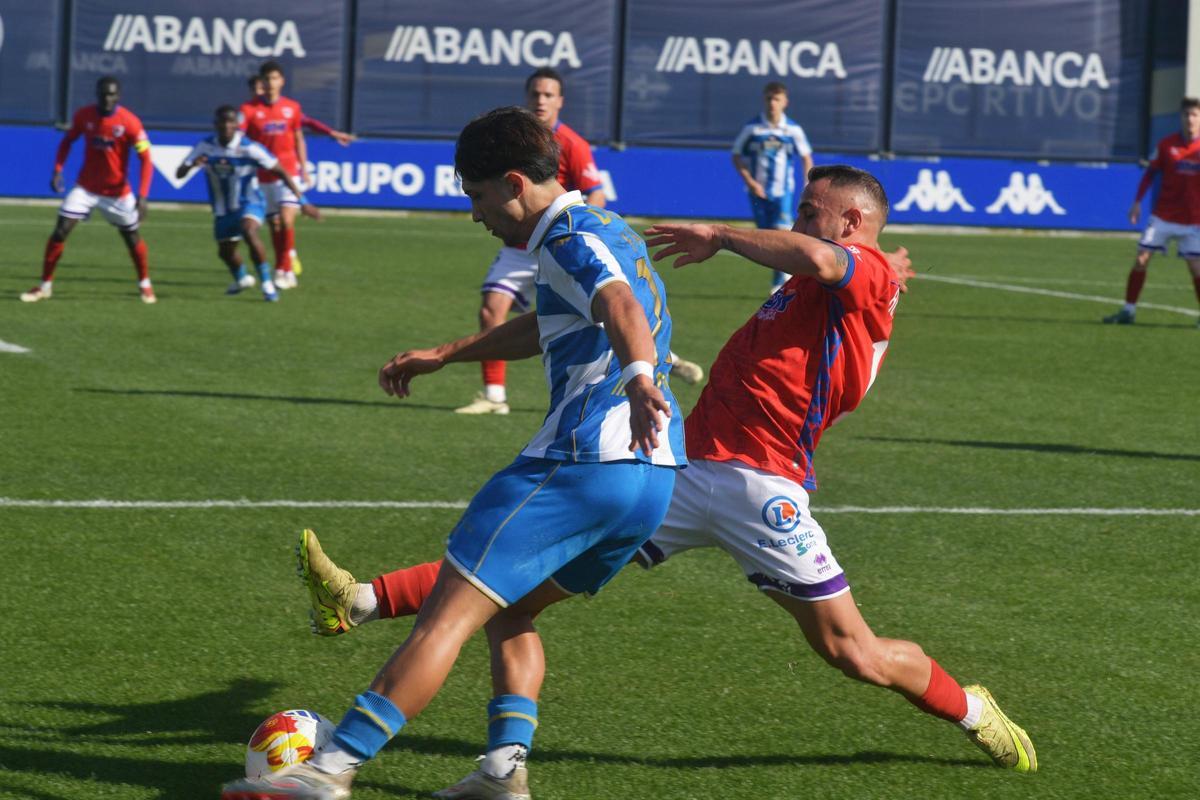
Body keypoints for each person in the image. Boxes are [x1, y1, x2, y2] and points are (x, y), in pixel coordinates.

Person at [299, 166, 1038, 797]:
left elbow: (831, 263)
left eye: (812, 214)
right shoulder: (838, 278)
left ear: (851, 222)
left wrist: (720, 237)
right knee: (515, 591)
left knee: (854, 653)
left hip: (763, 490)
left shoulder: (852, 271)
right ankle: (381, 621)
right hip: (683, 471)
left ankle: (971, 710)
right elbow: (826, 266)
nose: (798, 223)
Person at [219, 106, 687, 800]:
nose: (474, 214)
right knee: (512, 612)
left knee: (447, 616)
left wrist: (641, 378)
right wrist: (448, 353)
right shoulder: (603, 226)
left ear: (512, 181)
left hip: (583, 462)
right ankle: (502, 773)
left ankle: (332, 768)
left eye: (474, 195)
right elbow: (558, 321)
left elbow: (618, 303)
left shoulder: (567, 236)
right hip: (651, 483)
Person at [457, 67, 705, 416]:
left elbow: (595, 194)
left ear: (560, 101)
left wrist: (577, 232)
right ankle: (495, 395)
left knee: (601, 308)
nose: (540, 100)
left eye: (548, 95)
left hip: (562, 239)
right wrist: (442, 355)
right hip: (521, 245)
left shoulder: (570, 145)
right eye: (535, 94)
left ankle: (654, 361)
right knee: (492, 309)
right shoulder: (508, 144)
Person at [21, 76, 156, 304]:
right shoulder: (84, 116)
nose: (107, 98)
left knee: (131, 237)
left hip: (117, 193)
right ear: (97, 94)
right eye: (103, 94)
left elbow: (146, 159)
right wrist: (57, 169)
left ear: (118, 96)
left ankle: (145, 284)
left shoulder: (130, 122)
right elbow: (67, 141)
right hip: (86, 189)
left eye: (112, 94)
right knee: (61, 229)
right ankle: (44, 286)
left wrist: (143, 196)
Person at [174, 106, 319, 302]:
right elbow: (179, 174)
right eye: (222, 122)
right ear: (215, 124)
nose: (226, 125)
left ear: (236, 124)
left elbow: (281, 171)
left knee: (249, 231)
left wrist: (303, 201)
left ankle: (267, 284)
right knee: (225, 252)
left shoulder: (249, 147)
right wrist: (192, 164)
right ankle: (242, 278)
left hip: (250, 202)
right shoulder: (205, 146)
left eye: (230, 122)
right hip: (223, 209)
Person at [1103, 96, 1200, 328]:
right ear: (1181, 117)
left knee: (1196, 267)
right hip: (1163, 215)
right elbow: (1150, 174)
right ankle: (1128, 311)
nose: (1190, 119)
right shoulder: (1166, 145)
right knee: (1141, 259)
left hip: (1194, 219)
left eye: (1194, 115)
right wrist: (1137, 202)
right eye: (1186, 114)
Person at [239, 61, 318, 291]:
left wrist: (303, 167)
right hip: (263, 177)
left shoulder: (292, 108)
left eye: (275, 78)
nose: (271, 83)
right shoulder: (249, 110)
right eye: (267, 79)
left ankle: (285, 269)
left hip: (289, 173)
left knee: (286, 219)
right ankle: (281, 266)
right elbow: (239, 141)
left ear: (281, 81)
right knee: (274, 225)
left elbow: (298, 138)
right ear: (261, 82)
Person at [731, 81, 814, 293]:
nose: (772, 103)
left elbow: (806, 157)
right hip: (757, 192)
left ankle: (781, 282)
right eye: (769, 98)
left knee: (781, 233)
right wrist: (750, 182)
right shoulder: (752, 128)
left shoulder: (793, 129)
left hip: (782, 192)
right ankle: (782, 278)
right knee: (766, 236)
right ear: (764, 100)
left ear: (785, 102)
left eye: (776, 99)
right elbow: (736, 155)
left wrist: (807, 183)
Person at [247, 74, 357, 148]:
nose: (258, 92)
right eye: (254, 89)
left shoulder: (284, 110)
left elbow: (309, 122)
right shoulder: (247, 111)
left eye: (261, 89)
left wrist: (333, 133)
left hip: (277, 164)